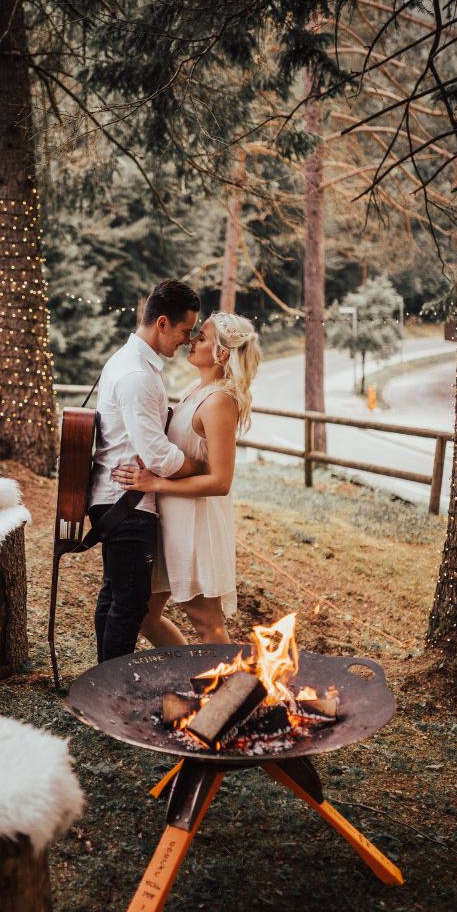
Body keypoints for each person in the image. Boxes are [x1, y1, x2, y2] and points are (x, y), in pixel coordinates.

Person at [112, 312, 261, 647]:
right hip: (171, 520)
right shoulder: (197, 389)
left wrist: (156, 484)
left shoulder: (220, 401)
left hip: (196, 525)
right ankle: (191, 680)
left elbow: (221, 482)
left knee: (207, 623)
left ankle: (233, 696)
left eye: (203, 338)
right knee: (145, 616)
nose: (192, 340)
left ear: (222, 353)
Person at [88, 279, 203, 663]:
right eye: (186, 331)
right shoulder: (136, 374)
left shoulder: (134, 363)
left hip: (120, 499)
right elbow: (156, 454)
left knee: (116, 595)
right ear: (163, 323)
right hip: (127, 503)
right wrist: (198, 465)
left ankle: (100, 682)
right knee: (131, 603)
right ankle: (109, 691)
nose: (187, 341)